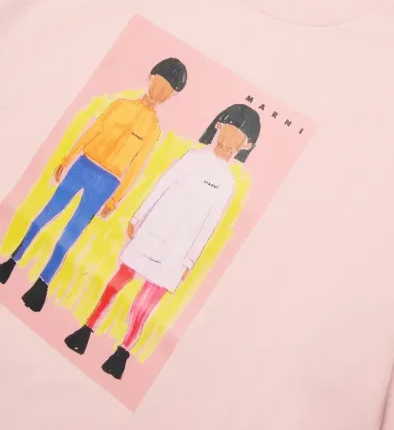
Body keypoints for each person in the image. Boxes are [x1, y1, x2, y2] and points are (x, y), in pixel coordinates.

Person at [64, 104, 261, 380]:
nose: (230, 142)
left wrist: (189, 260)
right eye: (229, 132)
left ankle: (121, 355)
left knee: (143, 306)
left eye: (239, 139)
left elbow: (210, 224)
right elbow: (162, 186)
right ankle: (86, 330)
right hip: (153, 230)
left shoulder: (227, 182)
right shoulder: (191, 158)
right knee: (116, 284)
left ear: (247, 145)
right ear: (218, 126)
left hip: (178, 251)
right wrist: (139, 217)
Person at [0, 58, 188, 313]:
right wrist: (68, 157)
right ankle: (12, 260)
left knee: (71, 232)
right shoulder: (120, 105)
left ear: (172, 96)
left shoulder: (154, 129)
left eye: (169, 91)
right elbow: (93, 130)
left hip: (108, 183)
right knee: (47, 213)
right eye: (160, 84)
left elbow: (136, 166)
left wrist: (116, 198)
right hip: (84, 166)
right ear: (150, 77)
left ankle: (42, 284)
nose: (161, 92)